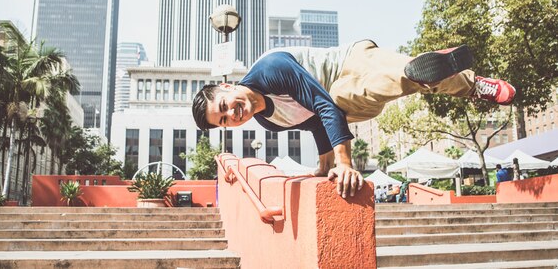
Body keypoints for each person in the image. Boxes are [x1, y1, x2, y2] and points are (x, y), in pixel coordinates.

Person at [192, 40, 516, 199]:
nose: (233, 115)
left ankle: (469, 83)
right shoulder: (269, 121)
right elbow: (314, 123)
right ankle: (428, 68)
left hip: (350, 62)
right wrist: (324, 164)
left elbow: (322, 106)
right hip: (344, 102)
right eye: (224, 121)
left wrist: (344, 163)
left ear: (226, 85)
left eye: (225, 106)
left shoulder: (271, 68)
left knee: (394, 76)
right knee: (402, 79)